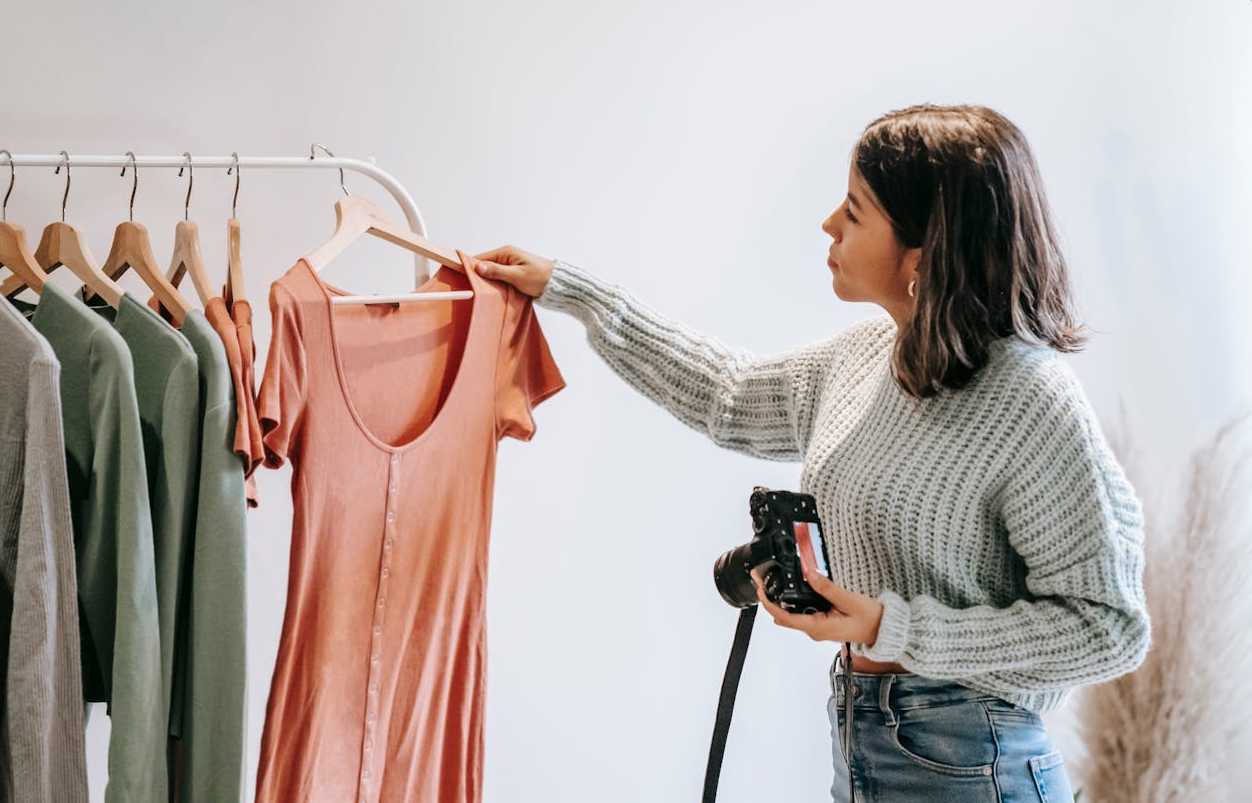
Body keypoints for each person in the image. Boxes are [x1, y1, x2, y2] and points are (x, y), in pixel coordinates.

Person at [471, 103, 1150, 803]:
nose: (829, 223)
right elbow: (724, 393)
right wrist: (573, 291)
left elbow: (1108, 626)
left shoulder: (1030, 399)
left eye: (855, 212)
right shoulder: (864, 361)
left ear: (922, 256)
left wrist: (895, 626)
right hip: (865, 737)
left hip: (975, 760)